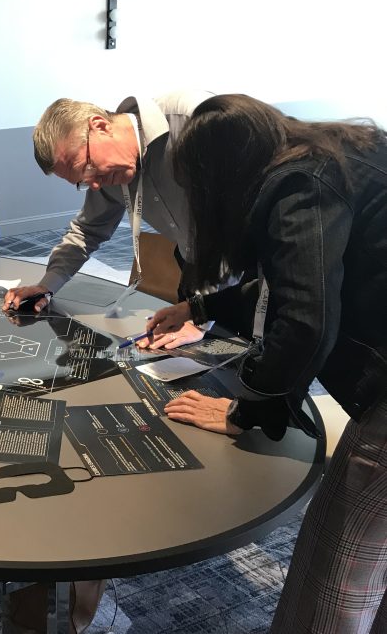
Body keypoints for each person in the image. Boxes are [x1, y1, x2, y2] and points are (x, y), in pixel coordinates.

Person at [147, 94, 387, 633]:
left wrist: (248, 408)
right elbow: (301, 275)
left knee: (333, 573)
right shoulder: (337, 150)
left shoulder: (296, 185)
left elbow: (304, 321)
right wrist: (201, 307)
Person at [2, 92, 215, 349]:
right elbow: (87, 231)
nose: (93, 184)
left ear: (100, 126)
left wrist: (202, 316)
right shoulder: (106, 174)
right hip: (199, 273)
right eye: (82, 181)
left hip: (249, 268)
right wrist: (46, 286)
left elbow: (233, 225)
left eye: (87, 167)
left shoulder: (195, 120)